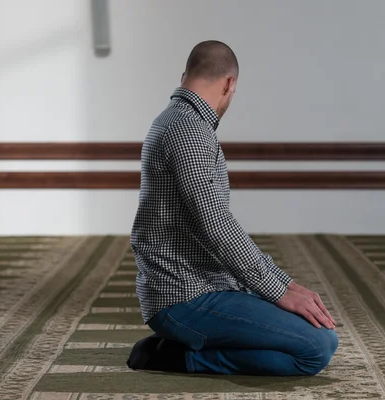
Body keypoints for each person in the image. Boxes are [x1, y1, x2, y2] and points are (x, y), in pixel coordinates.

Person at [127, 40, 338, 376]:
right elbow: (216, 224)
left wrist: (285, 284)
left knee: (317, 338)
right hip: (184, 298)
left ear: (186, 75)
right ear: (229, 83)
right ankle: (178, 358)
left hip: (203, 286)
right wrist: (279, 289)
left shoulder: (181, 122)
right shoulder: (187, 130)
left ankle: (184, 346)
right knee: (316, 348)